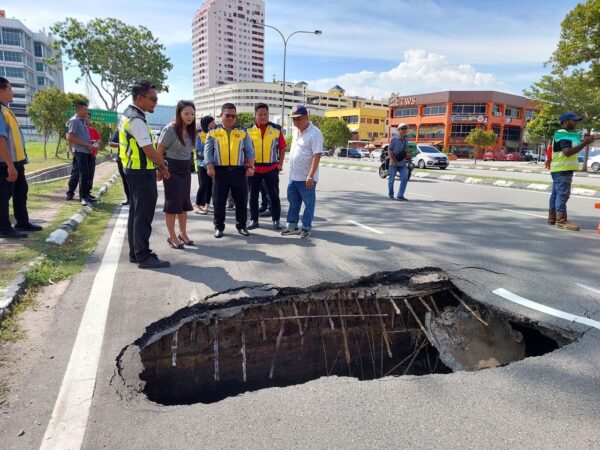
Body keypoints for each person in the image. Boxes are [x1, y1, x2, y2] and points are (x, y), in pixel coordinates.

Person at [119, 80, 171, 269]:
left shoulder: (128, 114)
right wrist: (162, 166)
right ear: (140, 98)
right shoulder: (137, 120)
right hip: (141, 172)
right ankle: (143, 256)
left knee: (136, 213)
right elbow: (148, 149)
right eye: (153, 99)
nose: (156, 102)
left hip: (133, 170)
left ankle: (136, 253)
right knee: (143, 216)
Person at [205, 103, 255, 238]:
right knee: (218, 201)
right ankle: (218, 227)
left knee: (241, 200)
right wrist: (209, 166)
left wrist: (250, 167)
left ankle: (242, 226)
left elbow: (249, 151)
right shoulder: (213, 132)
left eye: (233, 116)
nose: (231, 118)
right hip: (220, 171)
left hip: (239, 171)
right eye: (227, 115)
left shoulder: (242, 132)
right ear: (221, 115)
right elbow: (208, 151)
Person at [0, 76, 42, 239]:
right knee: (3, 195)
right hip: (5, 163)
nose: (12, 92)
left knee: (20, 191)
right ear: (1, 91)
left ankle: (22, 222)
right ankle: (4, 228)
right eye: (10, 89)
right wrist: (10, 165)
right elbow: (1, 139)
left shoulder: (6, 110)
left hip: (17, 162)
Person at [157, 100, 196, 249]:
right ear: (179, 114)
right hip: (171, 168)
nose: (190, 117)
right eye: (186, 113)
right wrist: (160, 169)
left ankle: (183, 233)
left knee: (184, 203)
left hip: (185, 168)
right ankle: (171, 235)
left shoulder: (191, 129)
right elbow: (159, 149)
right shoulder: (171, 129)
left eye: (192, 114)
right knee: (172, 203)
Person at [548, 111, 595, 231]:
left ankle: (553, 218)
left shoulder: (562, 134)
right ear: (566, 121)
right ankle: (561, 221)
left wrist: (585, 141)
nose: (576, 123)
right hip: (563, 170)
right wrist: (585, 142)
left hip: (558, 169)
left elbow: (571, 146)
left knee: (556, 194)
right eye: (574, 120)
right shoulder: (563, 134)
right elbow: (567, 152)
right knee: (562, 195)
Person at [281, 105, 322, 239]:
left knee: (308, 204)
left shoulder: (315, 133)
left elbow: (316, 155)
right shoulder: (296, 131)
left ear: (306, 117)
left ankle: (306, 228)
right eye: (294, 119)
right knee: (293, 203)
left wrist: (310, 176)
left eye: (299, 118)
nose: (296, 122)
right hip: (294, 177)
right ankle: (292, 226)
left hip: (306, 178)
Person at [246, 103, 287, 230]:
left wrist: (280, 163)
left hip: (271, 169)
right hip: (254, 169)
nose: (263, 117)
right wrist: (247, 166)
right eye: (260, 114)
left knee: (274, 196)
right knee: (253, 196)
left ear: (269, 114)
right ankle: (254, 220)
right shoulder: (247, 130)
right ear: (255, 115)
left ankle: (276, 220)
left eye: (265, 114)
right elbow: (243, 149)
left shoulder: (276, 129)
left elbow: (282, 147)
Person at [66, 100, 96, 206]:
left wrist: (90, 142)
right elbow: (71, 137)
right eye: (85, 109)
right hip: (80, 151)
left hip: (86, 151)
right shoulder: (74, 121)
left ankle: (86, 195)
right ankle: (82, 197)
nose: (87, 111)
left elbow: (81, 136)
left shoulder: (82, 121)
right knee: (82, 174)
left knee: (86, 174)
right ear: (79, 110)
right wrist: (87, 145)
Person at [194, 115, 215, 215]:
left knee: (210, 185)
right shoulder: (199, 135)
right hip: (202, 164)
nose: (214, 123)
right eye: (212, 122)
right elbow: (199, 147)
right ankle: (197, 205)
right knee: (203, 185)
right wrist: (209, 145)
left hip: (212, 164)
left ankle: (207, 205)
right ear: (207, 123)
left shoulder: (214, 133)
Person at [388, 123, 410, 201]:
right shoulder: (394, 139)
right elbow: (389, 150)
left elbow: (405, 151)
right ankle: (391, 195)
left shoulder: (406, 139)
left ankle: (400, 195)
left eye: (405, 129)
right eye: (402, 128)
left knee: (404, 178)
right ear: (398, 130)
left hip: (402, 162)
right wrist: (392, 160)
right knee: (391, 180)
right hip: (394, 162)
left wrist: (410, 152)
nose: (404, 130)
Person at [109, 130, 130, 205]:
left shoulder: (137, 129)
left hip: (135, 160)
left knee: (134, 180)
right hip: (122, 160)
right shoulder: (120, 131)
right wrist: (120, 144)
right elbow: (111, 143)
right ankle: (129, 199)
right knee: (125, 180)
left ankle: (136, 199)